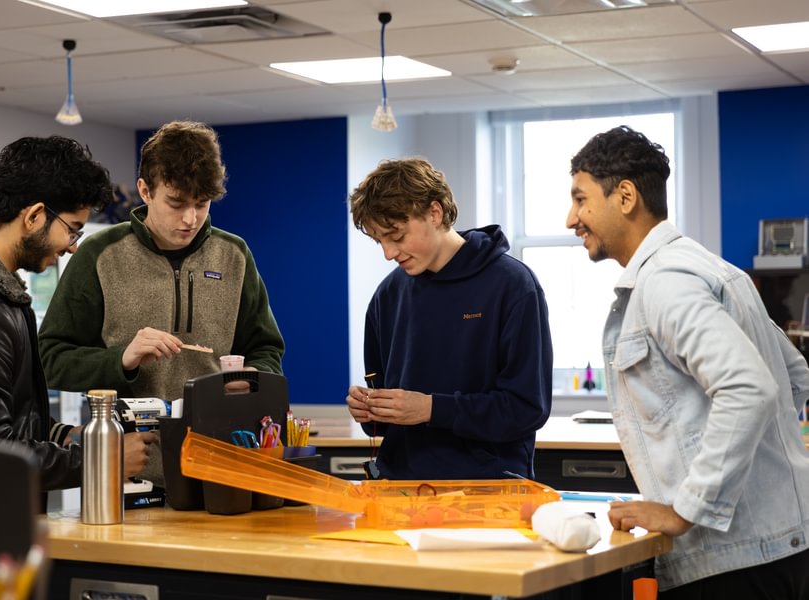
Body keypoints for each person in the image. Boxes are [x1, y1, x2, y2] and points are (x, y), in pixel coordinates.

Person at [566, 125, 809, 598]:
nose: (571, 218)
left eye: (580, 199)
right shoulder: (713, 268)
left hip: (735, 561)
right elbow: (793, 376)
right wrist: (757, 464)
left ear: (626, 197)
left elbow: (749, 389)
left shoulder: (665, 282)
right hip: (779, 544)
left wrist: (685, 509)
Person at [0, 136, 156, 497]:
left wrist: (63, 435)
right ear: (35, 215)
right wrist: (104, 458)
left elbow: (2, 416)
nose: (73, 245)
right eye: (72, 228)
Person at [38, 121, 285, 480]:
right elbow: (49, 359)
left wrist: (253, 380)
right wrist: (121, 359)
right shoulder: (99, 254)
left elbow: (267, 350)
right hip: (128, 473)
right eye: (176, 203)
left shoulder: (235, 255)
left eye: (201, 204)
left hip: (222, 466)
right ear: (145, 190)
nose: (190, 219)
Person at [344, 157, 552, 480]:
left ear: (435, 213)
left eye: (396, 236)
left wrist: (430, 409)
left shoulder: (513, 286)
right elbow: (384, 422)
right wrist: (370, 410)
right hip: (400, 490)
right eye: (378, 241)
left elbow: (526, 408)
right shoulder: (388, 296)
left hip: (488, 493)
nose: (387, 253)